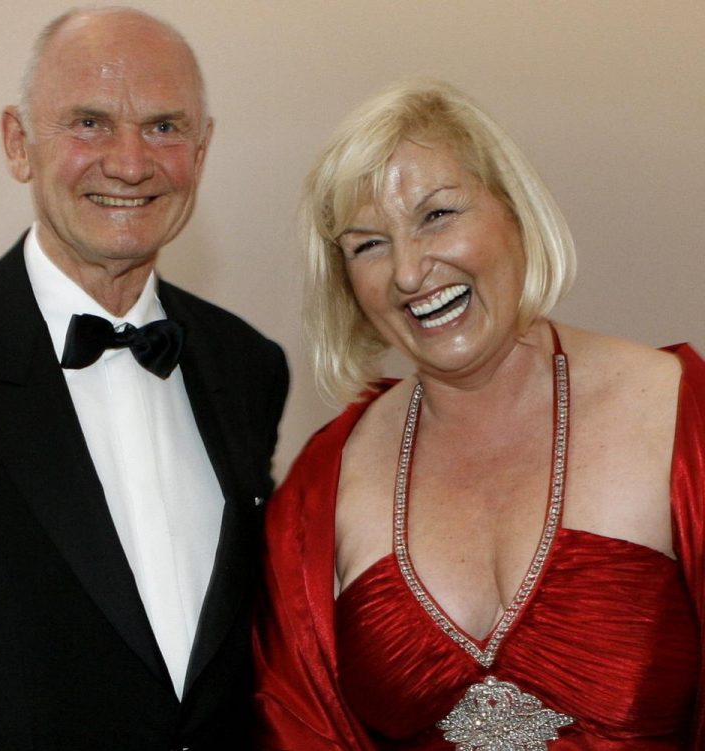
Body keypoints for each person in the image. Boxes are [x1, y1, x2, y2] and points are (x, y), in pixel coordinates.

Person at [253, 79, 704, 750]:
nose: (409, 271)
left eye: (437, 214)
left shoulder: (678, 417)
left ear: (514, 212)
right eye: (368, 245)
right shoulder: (324, 487)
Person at [0, 7, 288, 750]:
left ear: (203, 149)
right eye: (90, 123)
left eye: (164, 126)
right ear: (18, 142)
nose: (130, 163)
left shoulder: (248, 363)